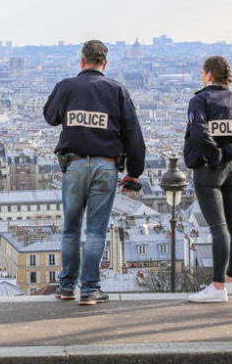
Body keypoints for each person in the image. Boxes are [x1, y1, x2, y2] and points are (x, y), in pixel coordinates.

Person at [43, 40, 146, 305]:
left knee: (71, 230)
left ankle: (66, 287)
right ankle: (89, 289)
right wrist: (134, 172)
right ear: (105, 63)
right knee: (97, 231)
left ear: (82, 61)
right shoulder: (117, 90)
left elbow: (50, 117)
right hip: (105, 164)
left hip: (75, 164)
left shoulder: (66, 86)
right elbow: (133, 133)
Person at [184, 55, 232, 303]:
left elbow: (199, 133)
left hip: (209, 170)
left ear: (208, 75)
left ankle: (217, 287)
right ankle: (230, 280)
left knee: (218, 227)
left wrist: (215, 155)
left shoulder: (200, 100)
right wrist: (228, 154)